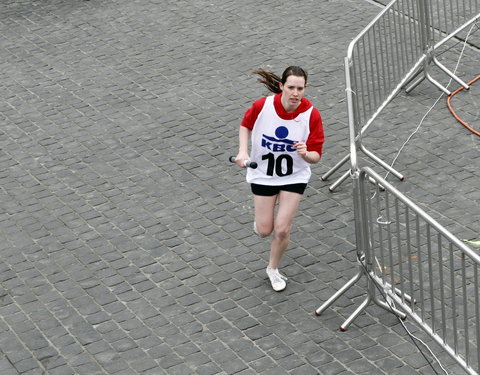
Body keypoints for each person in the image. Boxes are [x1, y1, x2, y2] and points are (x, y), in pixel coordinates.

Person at [235, 66, 324, 292]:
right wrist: (243, 152)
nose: (295, 93)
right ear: (282, 86)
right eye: (291, 87)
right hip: (263, 175)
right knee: (265, 230)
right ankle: (262, 221)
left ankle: (272, 269)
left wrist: (305, 153)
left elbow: (316, 157)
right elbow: (245, 125)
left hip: (294, 176)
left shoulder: (311, 114)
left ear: (306, 89)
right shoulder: (263, 106)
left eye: (300, 88)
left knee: (282, 229)